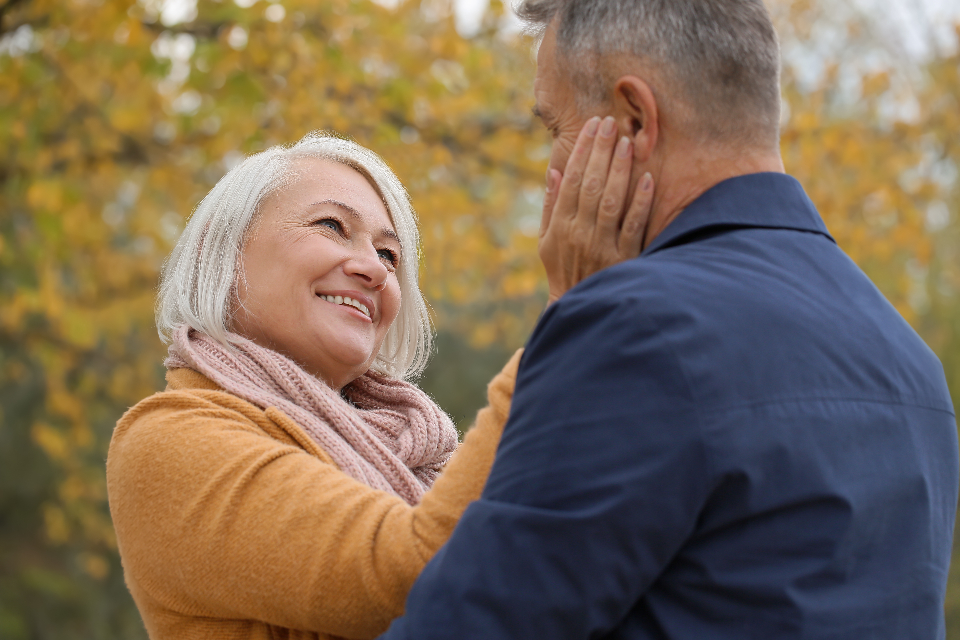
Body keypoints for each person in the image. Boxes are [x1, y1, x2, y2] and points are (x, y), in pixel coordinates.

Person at [378, 1, 960, 639]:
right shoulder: (907, 358)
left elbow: (473, 625)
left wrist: (572, 313)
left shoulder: (634, 329)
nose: (553, 170)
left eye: (554, 127)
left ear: (633, 120)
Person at [106, 129, 654, 639]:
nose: (374, 270)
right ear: (217, 252)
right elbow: (424, 575)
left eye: (389, 254)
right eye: (330, 226)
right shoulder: (166, 440)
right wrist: (571, 314)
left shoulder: (418, 449)